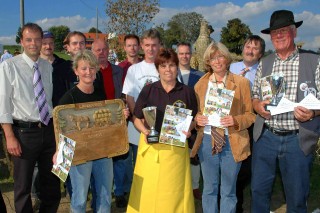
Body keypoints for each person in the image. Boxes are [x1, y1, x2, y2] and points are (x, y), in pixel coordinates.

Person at [251, 10, 320, 213]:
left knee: (297, 196)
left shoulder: (314, 61)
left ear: (294, 33)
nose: (278, 36)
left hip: (297, 139)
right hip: (266, 137)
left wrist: (313, 114)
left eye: (283, 31)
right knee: (258, 192)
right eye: (274, 33)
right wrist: (257, 106)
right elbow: (255, 95)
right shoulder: (265, 63)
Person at [53, 49, 128, 213]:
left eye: (92, 68)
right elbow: (61, 128)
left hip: (102, 153)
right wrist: (59, 150)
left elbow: (107, 121)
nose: (88, 72)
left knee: (105, 196)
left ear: (96, 70)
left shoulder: (101, 94)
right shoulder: (67, 99)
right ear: (76, 71)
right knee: (79, 199)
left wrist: (120, 115)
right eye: (84, 68)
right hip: (79, 156)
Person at [127, 48, 197, 213]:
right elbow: (136, 117)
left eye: (172, 65)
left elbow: (194, 119)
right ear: (157, 68)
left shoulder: (187, 92)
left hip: (175, 152)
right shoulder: (149, 90)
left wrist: (189, 129)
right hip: (152, 150)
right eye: (163, 66)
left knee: (174, 191)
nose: (168, 70)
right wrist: (145, 131)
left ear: (177, 67)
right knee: (149, 191)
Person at [0, 22, 61, 213]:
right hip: (23, 133)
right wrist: (10, 136)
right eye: (29, 39)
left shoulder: (47, 67)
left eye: (37, 39)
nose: (33, 43)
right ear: (21, 42)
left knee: (52, 181)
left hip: (49, 130)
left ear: (42, 41)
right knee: (23, 186)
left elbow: (49, 100)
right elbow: (3, 104)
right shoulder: (9, 66)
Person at [190, 42, 255, 213]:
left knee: (228, 191)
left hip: (232, 141)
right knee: (210, 189)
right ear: (208, 62)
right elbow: (195, 115)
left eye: (220, 56)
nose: (217, 61)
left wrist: (235, 120)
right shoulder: (200, 85)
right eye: (212, 58)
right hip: (207, 141)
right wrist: (198, 120)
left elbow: (250, 115)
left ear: (227, 59)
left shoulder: (242, 83)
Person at [122, 28, 161, 207]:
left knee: (159, 163)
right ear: (142, 46)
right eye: (147, 45)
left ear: (159, 46)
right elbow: (129, 97)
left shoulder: (165, 66)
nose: (151, 49)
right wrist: (138, 118)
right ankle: (141, 200)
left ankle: (157, 197)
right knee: (140, 164)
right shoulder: (134, 70)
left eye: (154, 45)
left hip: (161, 126)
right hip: (139, 125)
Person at [229, 35, 265, 213]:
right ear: (242, 49)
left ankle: (238, 198)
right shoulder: (231, 67)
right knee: (231, 166)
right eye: (248, 47)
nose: (250, 51)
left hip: (252, 124)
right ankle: (235, 206)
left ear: (260, 54)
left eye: (255, 48)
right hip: (230, 123)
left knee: (245, 167)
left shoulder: (264, 72)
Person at [91, 38, 126, 209]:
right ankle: (98, 194)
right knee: (98, 160)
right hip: (96, 123)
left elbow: (124, 94)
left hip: (116, 121)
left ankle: (118, 192)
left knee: (118, 159)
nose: (102, 53)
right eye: (98, 50)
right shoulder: (89, 72)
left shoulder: (118, 71)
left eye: (104, 49)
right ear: (92, 52)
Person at [176, 41, 204, 200]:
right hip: (176, 122)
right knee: (178, 155)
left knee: (194, 156)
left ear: (191, 54)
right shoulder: (170, 74)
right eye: (181, 53)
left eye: (187, 53)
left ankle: (194, 186)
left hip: (194, 122)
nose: (184, 56)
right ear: (177, 55)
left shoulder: (200, 76)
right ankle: (180, 185)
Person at [117, 33, 141, 205]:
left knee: (139, 157)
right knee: (123, 158)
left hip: (142, 118)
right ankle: (121, 191)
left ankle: (138, 189)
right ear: (124, 48)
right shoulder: (119, 68)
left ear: (139, 47)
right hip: (125, 118)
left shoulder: (147, 66)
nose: (132, 48)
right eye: (129, 45)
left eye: (135, 45)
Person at [52, 31, 86, 107]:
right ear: (68, 47)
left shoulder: (94, 69)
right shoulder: (59, 70)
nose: (78, 46)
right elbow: (58, 100)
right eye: (74, 43)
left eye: (82, 43)